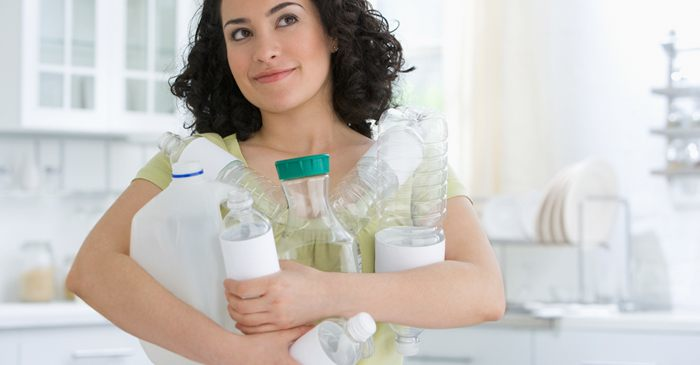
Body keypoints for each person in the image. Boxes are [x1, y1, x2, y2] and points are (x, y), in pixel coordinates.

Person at [66, 0, 505, 363]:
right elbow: (94, 269)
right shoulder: (197, 163)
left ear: (333, 32)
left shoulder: (405, 162)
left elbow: (483, 293)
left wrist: (321, 294)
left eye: (287, 19)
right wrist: (236, 355)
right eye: (241, 33)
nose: (265, 50)